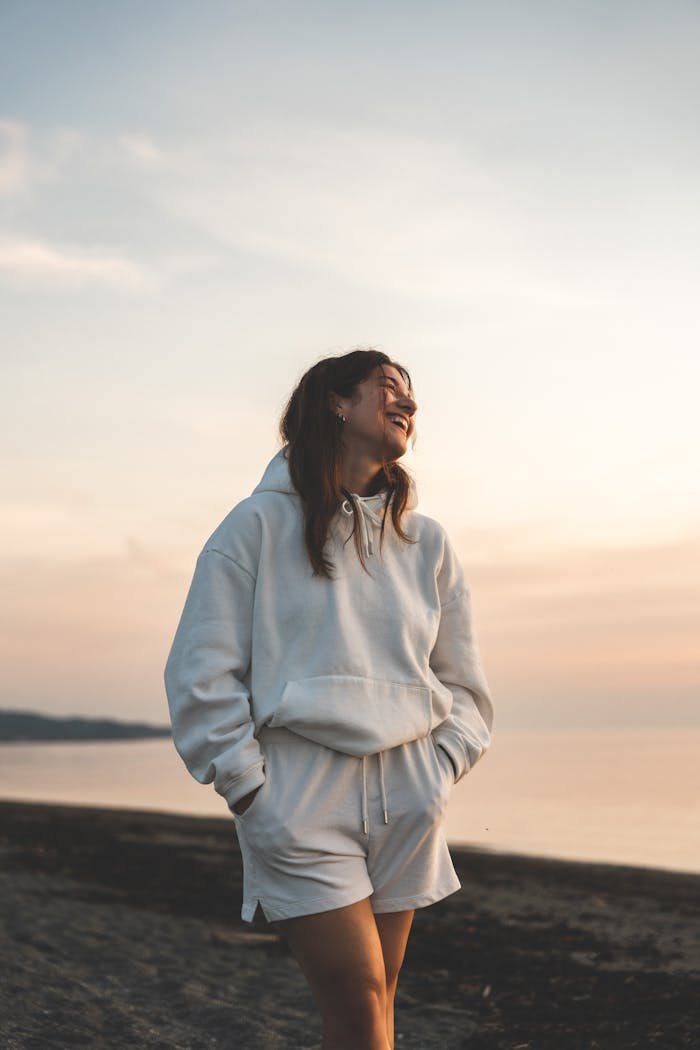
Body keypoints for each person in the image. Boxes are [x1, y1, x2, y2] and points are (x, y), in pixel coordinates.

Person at [164, 348, 495, 1050]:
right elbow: (201, 671)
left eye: (411, 394)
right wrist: (250, 788)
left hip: (408, 789)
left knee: (378, 1003)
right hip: (299, 794)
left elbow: (463, 682)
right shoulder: (253, 528)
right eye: (389, 388)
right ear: (337, 404)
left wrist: (441, 766)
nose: (407, 402)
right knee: (358, 995)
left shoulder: (425, 542)